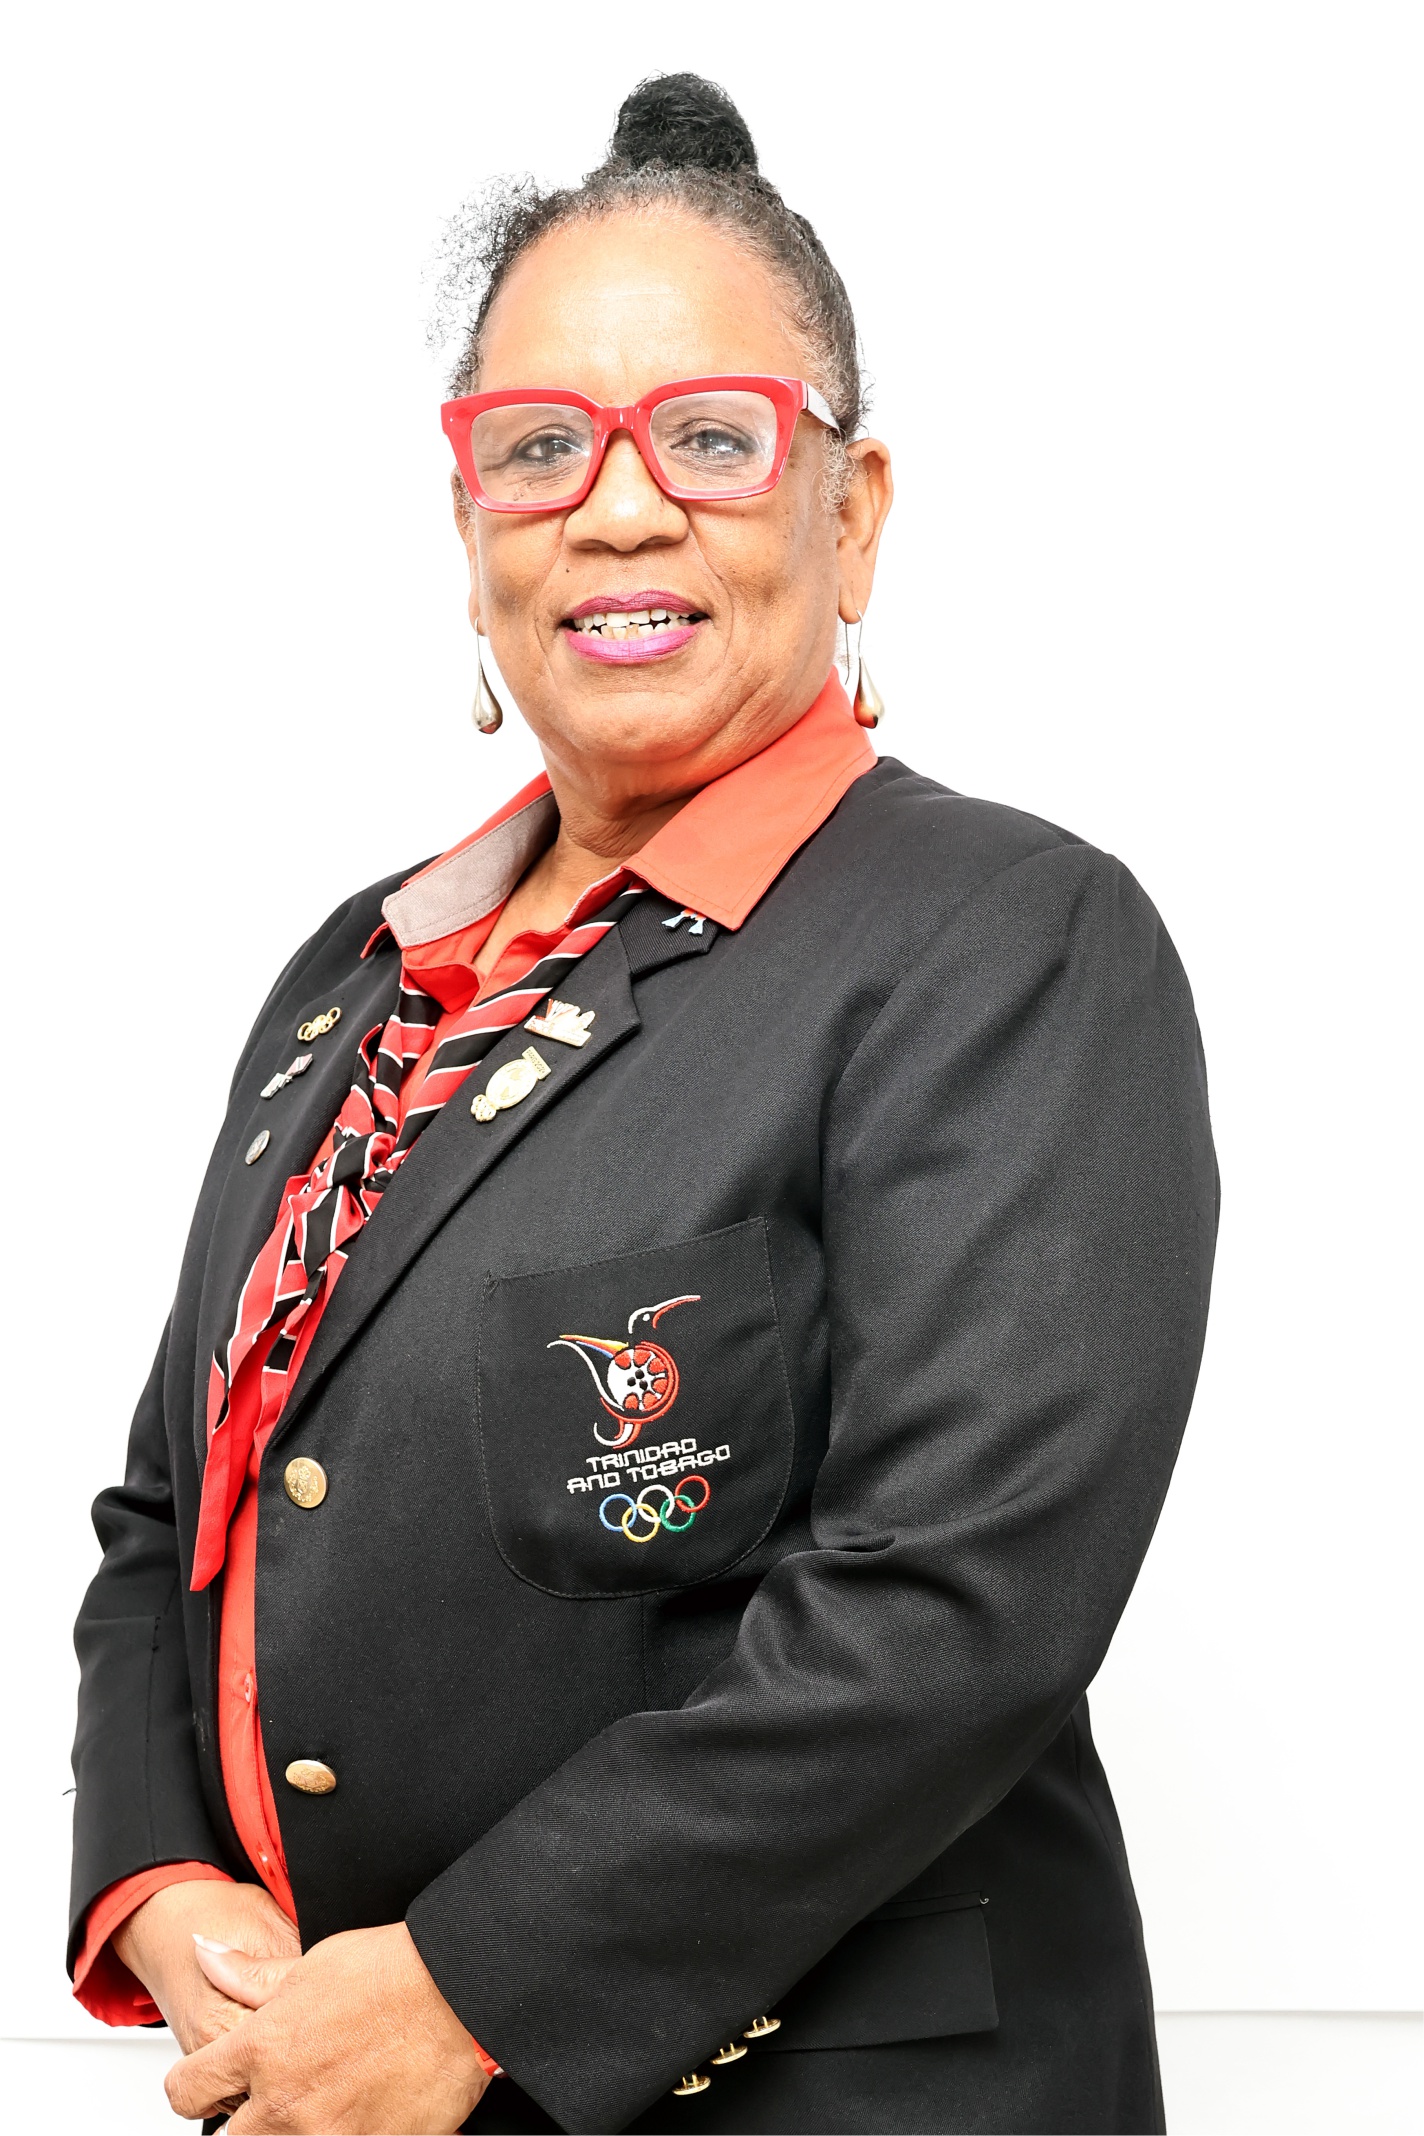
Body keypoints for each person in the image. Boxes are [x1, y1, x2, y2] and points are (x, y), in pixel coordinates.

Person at [69, 72, 1217, 2136]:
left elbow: (956, 1607)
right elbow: (178, 1513)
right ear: (470, 534)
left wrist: (463, 1989)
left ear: (848, 514)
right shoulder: (359, 974)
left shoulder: (1004, 938)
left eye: (710, 437)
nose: (616, 510)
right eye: (538, 449)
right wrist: (161, 1884)